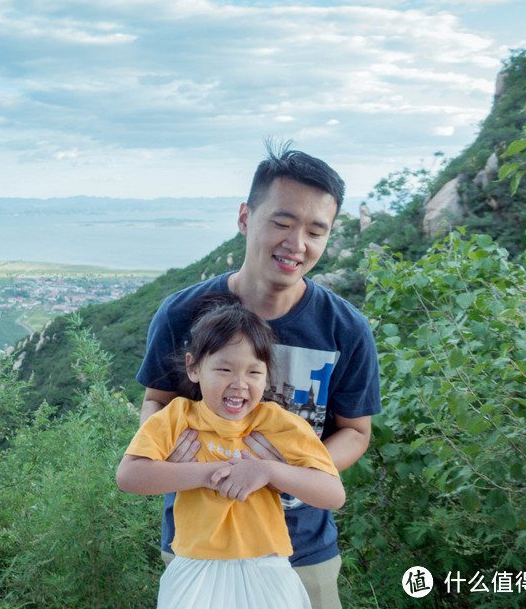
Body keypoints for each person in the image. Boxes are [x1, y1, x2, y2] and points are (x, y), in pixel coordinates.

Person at [135, 143, 381, 609]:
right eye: (283, 223)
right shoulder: (182, 312)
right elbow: (156, 401)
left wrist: (282, 474)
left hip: (302, 548)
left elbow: (355, 432)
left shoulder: (345, 328)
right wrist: (174, 455)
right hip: (199, 545)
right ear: (246, 217)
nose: (297, 244)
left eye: (315, 230)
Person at [118, 295, 345, 609]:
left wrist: (267, 471)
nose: (240, 384)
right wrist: (211, 474)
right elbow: (129, 476)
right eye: (224, 369)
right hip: (195, 564)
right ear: (194, 367)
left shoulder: (278, 423)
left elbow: (333, 494)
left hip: (267, 565)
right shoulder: (178, 417)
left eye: (254, 373)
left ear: (267, 376)